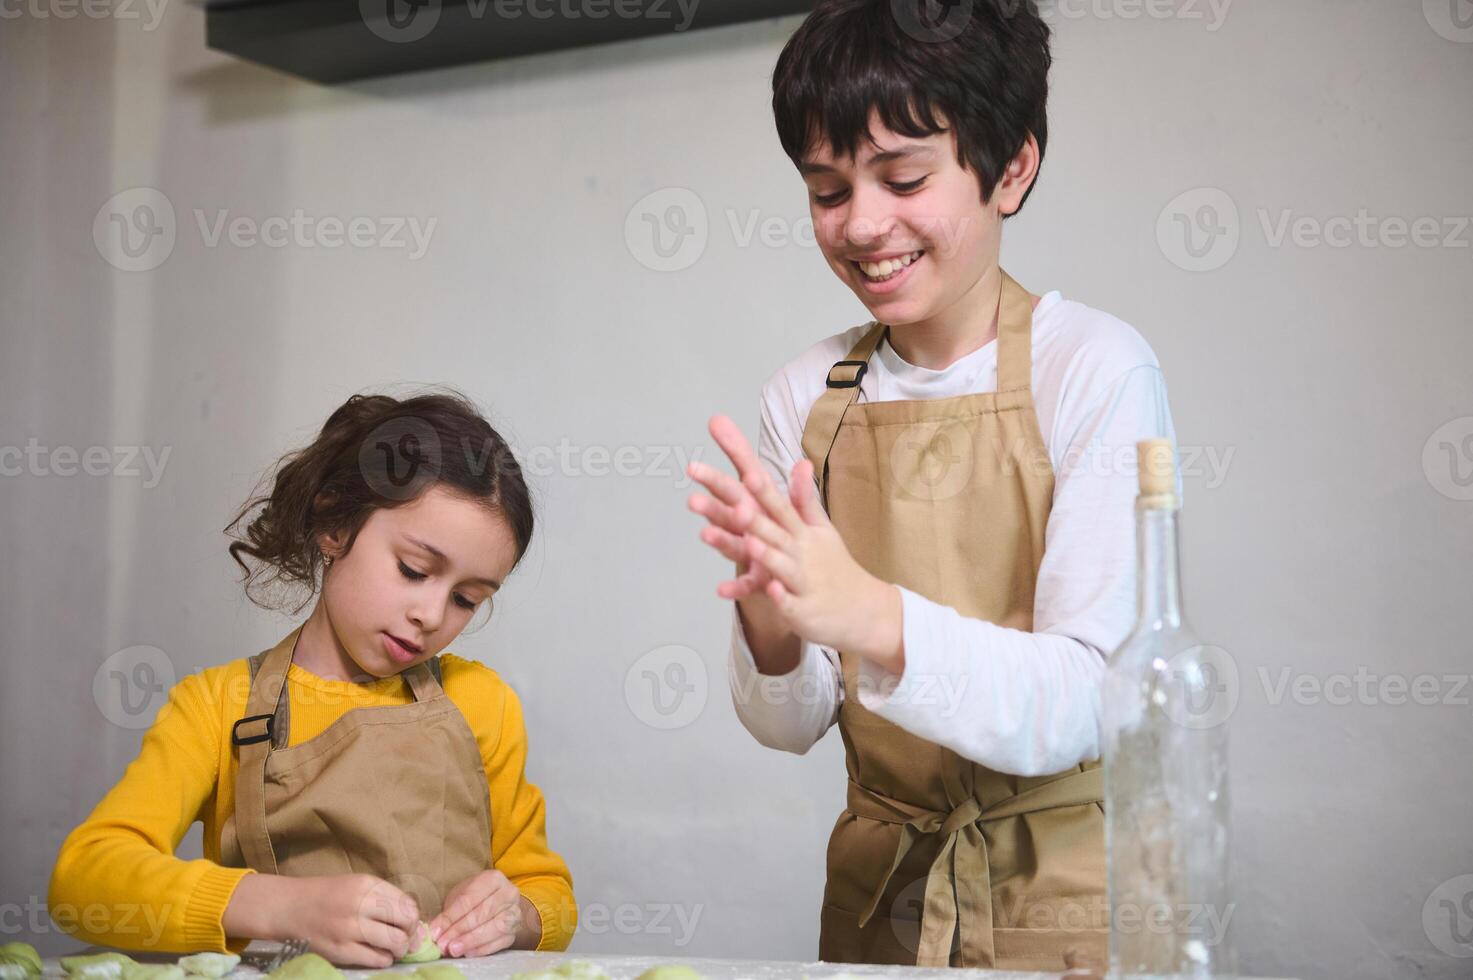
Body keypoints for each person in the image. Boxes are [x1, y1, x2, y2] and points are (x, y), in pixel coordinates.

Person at [686, 0, 1179, 970]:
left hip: (1069, 899)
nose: (863, 224)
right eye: (827, 190)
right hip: (883, 897)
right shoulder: (805, 396)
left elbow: (1087, 697)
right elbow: (790, 726)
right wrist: (773, 623)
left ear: (1012, 168)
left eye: (903, 177)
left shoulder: (1095, 367)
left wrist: (869, 611)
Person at [49, 391, 576, 966]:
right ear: (335, 524)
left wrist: (515, 915)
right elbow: (84, 881)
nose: (431, 614)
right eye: (413, 570)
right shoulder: (216, 706)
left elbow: (549, 895)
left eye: (466, 599)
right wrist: (278, 908)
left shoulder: (482, 704)